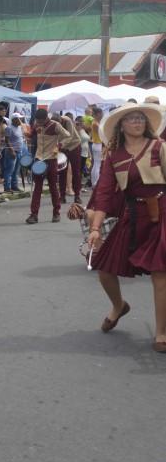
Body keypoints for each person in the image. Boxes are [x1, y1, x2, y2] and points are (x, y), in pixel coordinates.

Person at [86, 103, 166, 352]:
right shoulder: (114, 156)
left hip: (162, 212)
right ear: (121, 126)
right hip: (133, 216)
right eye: (130, 118)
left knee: (160, 273)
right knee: (104, 267)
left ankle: (161, 332)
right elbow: (104, 193)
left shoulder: (159, 147)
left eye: (140, 117)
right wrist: (95, 228)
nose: (137, 121)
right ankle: (119, 306)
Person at [25, 108, 75, 224]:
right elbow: (33, 133)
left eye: (41, 121)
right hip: (39, 158)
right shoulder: (36, 124)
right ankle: (34, 214)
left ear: (46, 118)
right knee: (37, 188)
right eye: (37, 121)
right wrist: (29, 135)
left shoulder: (55, 125)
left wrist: (58, 146)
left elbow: (68, 136)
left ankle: (56, 213)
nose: (39, 123)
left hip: (51, 159)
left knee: (53, 187)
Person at [2, 114, 25, 192]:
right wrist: (11, 151)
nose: (20, 120)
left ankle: (14, 186)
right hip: (12, 152)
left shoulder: (19, 127)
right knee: (9, 170)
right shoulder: (9, 128)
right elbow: (7, 140)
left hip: (19, 151)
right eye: (19, 119)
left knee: (16, 170)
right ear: (14, 119)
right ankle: (7, 187)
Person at [90, 107, 104, 187]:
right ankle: (95, 182)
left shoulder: (96, 122)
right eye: (101, 113)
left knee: (96, 164)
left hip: (97, 144)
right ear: (98, 114)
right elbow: (101, 132)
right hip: (97, 144)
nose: (103, 115)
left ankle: (95, 182)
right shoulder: (95, 123)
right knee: (97, 164)